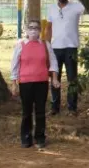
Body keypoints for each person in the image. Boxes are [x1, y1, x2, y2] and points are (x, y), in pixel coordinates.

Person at [11, 20, 60, 148]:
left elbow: (53, 63)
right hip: (25, 83)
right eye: (31, 27)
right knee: (26, 111)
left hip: (41, 82)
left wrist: (54, 79)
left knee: (40, 111)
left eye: (36, 28)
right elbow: (14, 66)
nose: (33, 30)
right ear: (26, 30)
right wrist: (14, 83)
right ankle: (26, 138)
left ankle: (40, 138)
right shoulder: (20, 45)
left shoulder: (45, 45)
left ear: (40, 30)